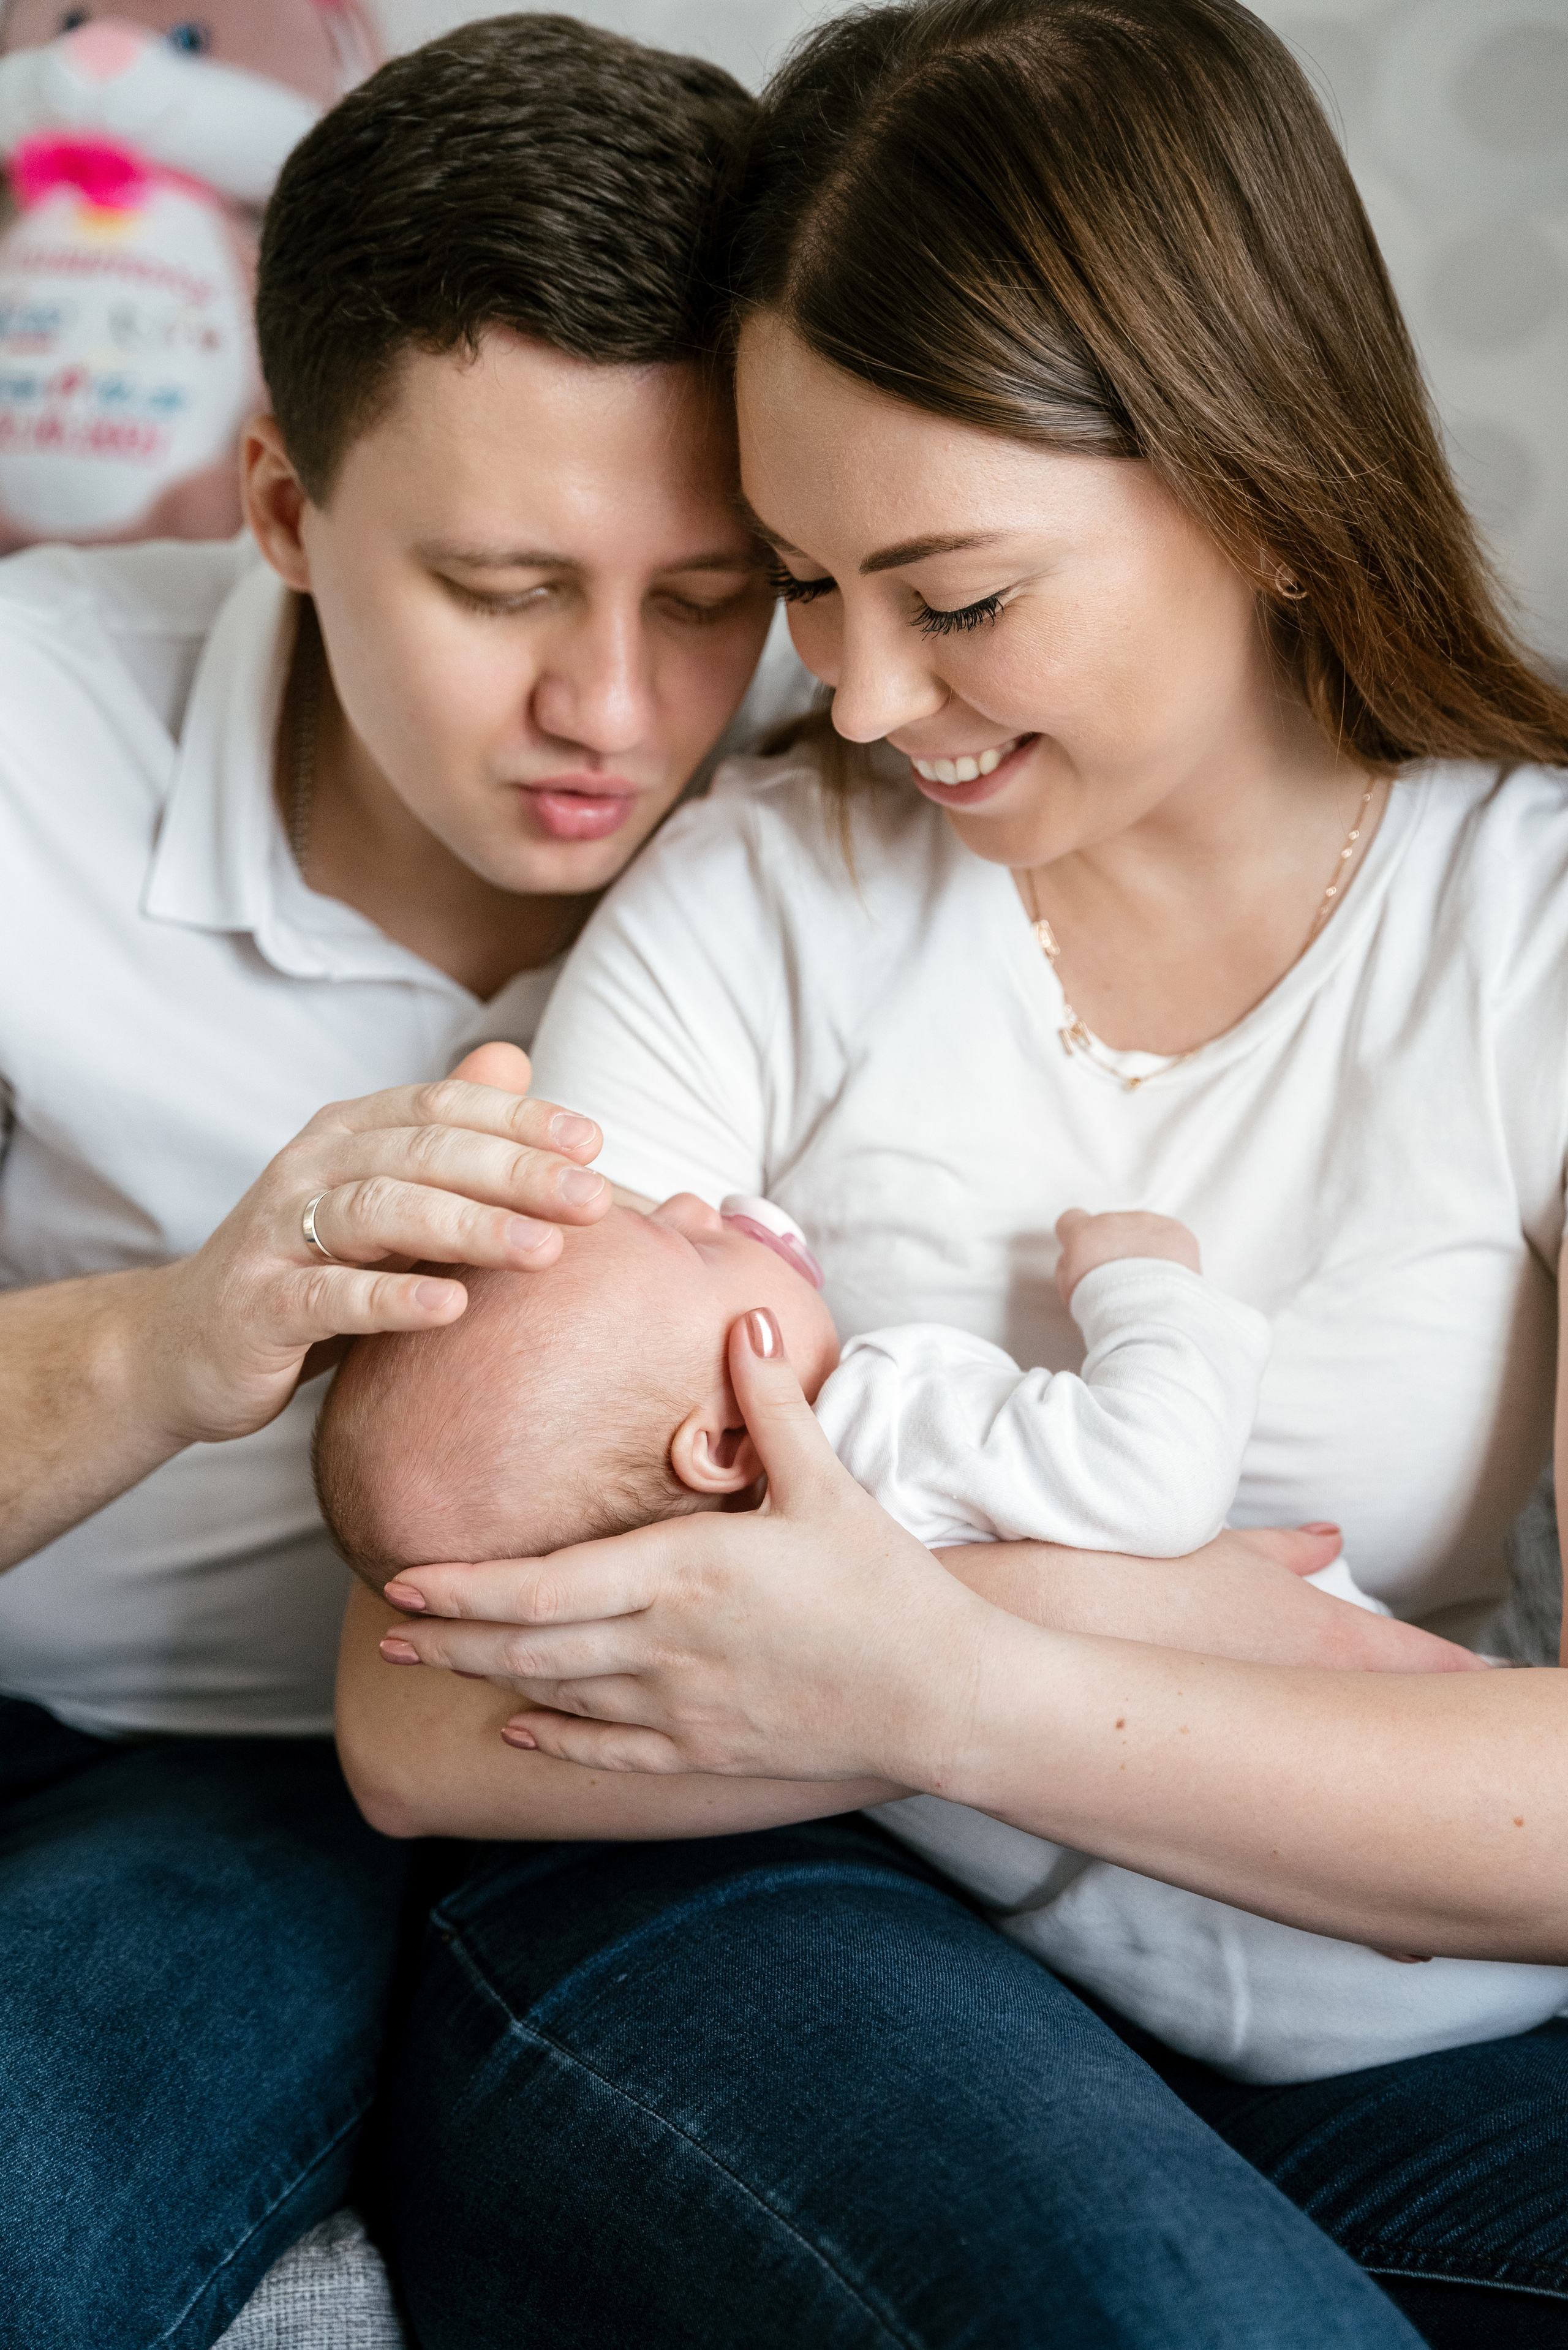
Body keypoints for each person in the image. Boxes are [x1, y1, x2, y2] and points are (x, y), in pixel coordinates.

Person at [336, 2, 1568, 2344]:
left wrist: (936, 1676)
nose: (866, 697)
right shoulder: (760, 899)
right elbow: (414, 1706)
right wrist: (1087, 1651)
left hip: (1384, 1997)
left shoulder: (1533, 934)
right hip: (790, 1903)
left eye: (958, 593)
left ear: (1265, 475)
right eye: (803, 579)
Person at [0, 17, 805, 2346]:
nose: (620, 716)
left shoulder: (864, 803)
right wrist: (173, 1336)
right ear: (278, 507)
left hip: (509, 1806)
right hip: (92, 1718)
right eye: (502, 584)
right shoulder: (30, 739)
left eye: (709, 593)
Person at [322, 1173, 1568, 2092]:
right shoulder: (881, 1413)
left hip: (1188, 1978)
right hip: (1373, 1900)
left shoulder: (663, 1641)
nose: (707, 1200)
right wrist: (1145, 1285)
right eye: (690, 1243)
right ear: (727, 1441)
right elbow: (1154, 1475)